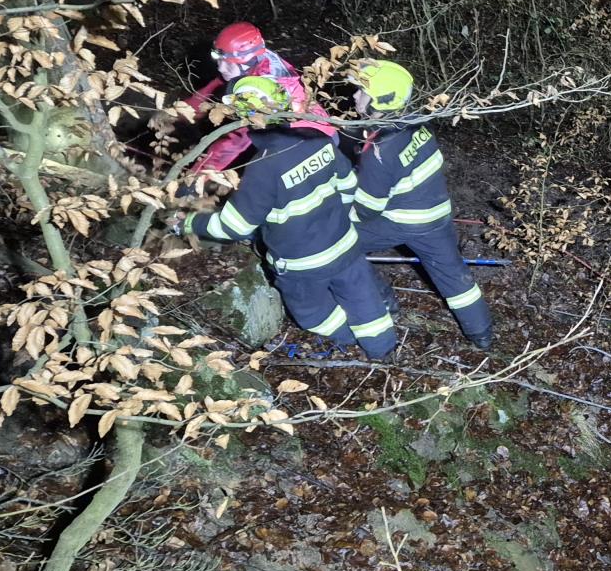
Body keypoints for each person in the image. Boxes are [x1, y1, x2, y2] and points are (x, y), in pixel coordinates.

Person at [168, 76, 396, 360]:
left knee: (311, 313)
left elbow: (235, 227)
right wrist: (336, 218)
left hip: (302, 264)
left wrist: (188, 223)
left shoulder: (264, 165)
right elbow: (348, 183)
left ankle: (347, 339)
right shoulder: (317, 139)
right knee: (365, 299)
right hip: (346, 244)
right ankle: (384, 350)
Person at [344, 59, 494, 350]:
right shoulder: (416, 122)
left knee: (339, 245)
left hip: (404, 220)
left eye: (362, 91)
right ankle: (482, 334)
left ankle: (383, 300)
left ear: (381, 100)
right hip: (437, 211)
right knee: (452, 274)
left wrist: (339, 214)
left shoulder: (379, 151)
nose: (355, 96)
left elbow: (367, 209)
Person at [179, 22, 334, 176]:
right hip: (314, 127)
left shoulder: (258, 93)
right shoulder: (260, 59)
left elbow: (236, 140)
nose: (220, 67)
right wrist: (183, 110)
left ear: (246, 62)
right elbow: (220, 81)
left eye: (226, 63)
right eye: (219, 60)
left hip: (312, 143)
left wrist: (197, 174)